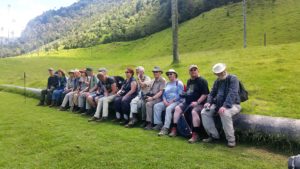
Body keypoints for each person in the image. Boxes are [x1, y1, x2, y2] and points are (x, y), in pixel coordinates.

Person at [201, 63, 242, 148]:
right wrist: (208, 102)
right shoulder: (217, 81)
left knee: (225, 113)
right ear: (215, 74)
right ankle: (214, 136)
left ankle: (231, 140)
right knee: (204, 112)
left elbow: (232, 93)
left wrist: (225, 106)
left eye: (222, 72)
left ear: (225, 70)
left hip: (233, 104)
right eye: (218, 73)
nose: (221, 74)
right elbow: (212, 93)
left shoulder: (233, 78)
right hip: (219, 104)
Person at [169, 65, 209, 143]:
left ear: (198, 71)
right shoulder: (189, 81)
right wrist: (183, 94)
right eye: (191, 70)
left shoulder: (202, 80)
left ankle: (195, 135)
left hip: (199, 103)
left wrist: (197, 102)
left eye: (195, 70)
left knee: (194, 112)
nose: (193, 71)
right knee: (177, 108)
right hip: (187, 102)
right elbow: (189, 92)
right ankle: (174, 129)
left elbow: (205, 94)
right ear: (189, 72)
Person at [153, 69, 184, 136]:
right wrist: (164, 100)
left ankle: (166, 128)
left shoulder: (178, 83)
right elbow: (164, 94)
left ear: (175, 74)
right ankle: (159, 124)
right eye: (168, 74)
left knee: (168, 109)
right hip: (166, 101)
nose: (169, 75)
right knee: (157, 106)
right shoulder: (167, 83)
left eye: (171, 74)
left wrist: (171, 101)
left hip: (176, 101)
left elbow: (180, 95)